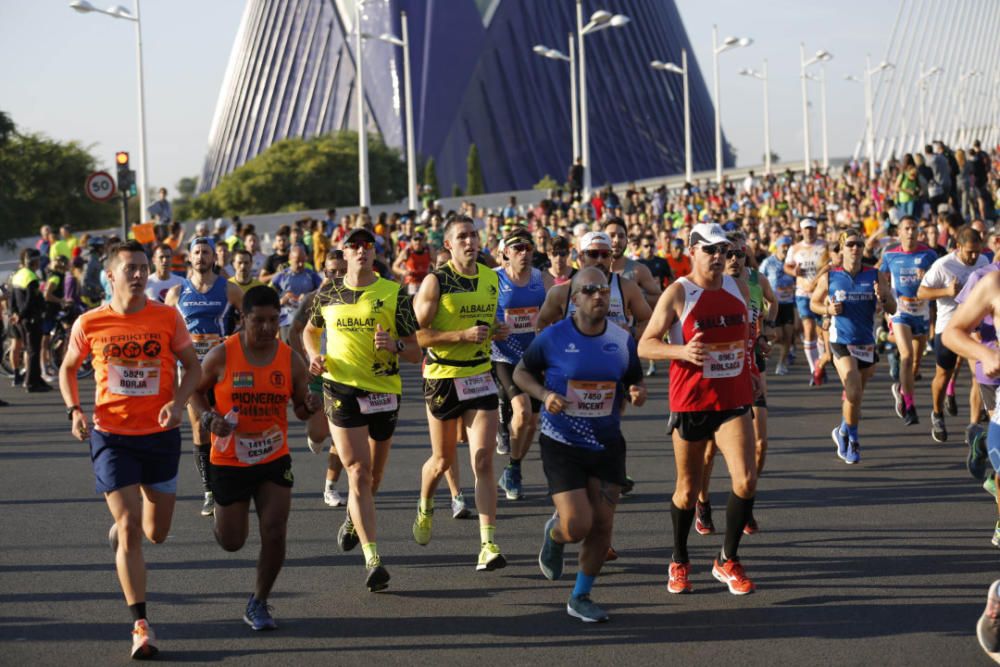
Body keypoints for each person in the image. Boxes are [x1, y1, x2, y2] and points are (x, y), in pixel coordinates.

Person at [58, 239, 201, 659]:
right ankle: (141, 625)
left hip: (159, 435)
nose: (139, 275)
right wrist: (75, 412)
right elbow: (68, 368)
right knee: (128, 528)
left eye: (143, 267)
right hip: (111, 436)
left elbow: (192, 366)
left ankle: (128, 522)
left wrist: (177, 403)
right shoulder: (89, 322)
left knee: (156, 533)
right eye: (130, 268)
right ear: (110, 275)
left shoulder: (166, 317)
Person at [514, 266, 646, 622]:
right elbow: (520, 372)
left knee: (603, 524)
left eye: (603, 289)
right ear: (573, 300)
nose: (598, 295)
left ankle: (580, 595)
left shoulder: (621, 339)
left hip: (606, 443)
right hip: (563, 442)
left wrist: (636, 391)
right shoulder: (554, 337)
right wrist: (544, 394)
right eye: (589, 290)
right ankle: (556, 536)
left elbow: (634, 378)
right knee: (578, 525)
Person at [638, 222, 757, 596]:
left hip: (733, 399)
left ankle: (727, 559)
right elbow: (645, 345)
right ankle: (679, 559)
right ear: (692, 251)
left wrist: (755, 355)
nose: (719, 257)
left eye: (724, 250)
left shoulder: (738, 287)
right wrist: (681, 351)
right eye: (710, 250)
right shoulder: (678, 293)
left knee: (746, 480)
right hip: (691, 401)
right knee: (687, 492)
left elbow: (744, 335)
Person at [191, 285, 319, 630]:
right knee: (233, 541)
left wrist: (309, 405)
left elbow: (301, 408)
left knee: (275, 531)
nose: (266, 328)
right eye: (257, 320)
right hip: (229, 460)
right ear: (243, 318)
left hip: (273, 457)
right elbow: (195, 391)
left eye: (272, 321)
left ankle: (259, 602)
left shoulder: (289, 358)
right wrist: (207, 418)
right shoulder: (222, 354)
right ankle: (221, 521)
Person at [303, 228, 422, 590]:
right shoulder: (328, 293)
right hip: (340, 388)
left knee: (374, 478)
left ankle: (355, 520)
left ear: (373, 253)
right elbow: (309, 332)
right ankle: (373, 559)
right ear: (345, 253)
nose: (361, 252)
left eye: (367, 246)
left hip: (384, 391)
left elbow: (418, 352)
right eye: (354, 246)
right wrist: (314, 355)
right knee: (356, 470)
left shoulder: (393, 292)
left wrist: (395, 344)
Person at [411, 215, 511, 571]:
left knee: (483, 459)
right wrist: (459, 336)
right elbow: (415, 337)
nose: (470, 241)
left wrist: (496, 331)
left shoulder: (490, 277)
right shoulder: (435, 282)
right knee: (441, 461)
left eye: (474, 235)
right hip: (442, 377)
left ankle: (487, 544)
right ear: (449, 245)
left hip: (480, 376)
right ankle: (425, 504)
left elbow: (486, 325)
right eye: (462, 237)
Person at [696, 234, 777, 535]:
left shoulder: (752, 282)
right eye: (725, 253)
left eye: (738, 254)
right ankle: (702, 503)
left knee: (760, 443)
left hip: (752, 366)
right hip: (718, 377)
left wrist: (763, 334)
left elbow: (773, 304)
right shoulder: (704, 287)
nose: (732, 259)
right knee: (708, 452)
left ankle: (745, 501)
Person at [165, 236, 244, 516]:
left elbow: (250, 320)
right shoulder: (175, 293)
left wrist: (232, 339)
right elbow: (166, 331)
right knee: (200, 429)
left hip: (222, 369)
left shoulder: (229, 289)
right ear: (190, 257)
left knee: (229, 422)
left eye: (206, 252)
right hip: (190, 371)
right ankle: (210, 490)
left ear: (214, 258)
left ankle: (232, 480)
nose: (201, 257)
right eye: (196, 252)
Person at [811, 230, 896, 464]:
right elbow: (814, 303)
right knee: (853, 390)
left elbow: (893, 308)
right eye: (850, 244)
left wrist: (883, 299)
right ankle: (852, 440)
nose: (856, 248)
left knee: (855, 397)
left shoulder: (875, 275)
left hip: (866, 342)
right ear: (841, 248)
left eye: (859, 244)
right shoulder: (830, 276)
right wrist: (828, 311)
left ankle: (841, 430)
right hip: (841, 341)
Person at [493, 229, 553, 500]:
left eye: (528, 248)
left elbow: (559, 311)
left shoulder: (542, 279)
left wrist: (547, 326)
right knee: (522, 410)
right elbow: (476, 313)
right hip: (504, 356)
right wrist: (492, 327)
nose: (524, 254)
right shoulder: (493, 279)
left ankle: (513, 468)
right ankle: (513, 466)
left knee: (533, 421)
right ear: (505, 252)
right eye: (517, 248)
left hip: (534, 357)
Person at [917, 225, 987, 442]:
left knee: (979, 375)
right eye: (969, 252)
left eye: (977, 251)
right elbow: (921, 292)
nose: (974, 256)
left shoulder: (983, 263)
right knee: (943, 375)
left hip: (973, 328)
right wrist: (946, 291)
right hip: (948, 328)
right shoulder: (943, 265)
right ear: (958, 247)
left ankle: (974, 426)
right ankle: (937, 413)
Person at [288, 249, 347, 506]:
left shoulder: (357, 298)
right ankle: (315, 435)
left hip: (347, 374)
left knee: (342, 434)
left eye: (342, 271)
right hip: (317, 372)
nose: (337, 276)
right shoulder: (314, 298)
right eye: (332, 272)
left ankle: (330, 487)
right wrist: (302, 362)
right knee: (320, 433)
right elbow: (294, 331)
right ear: (324, 273)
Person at [880, 216, 939, 426]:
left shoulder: (929, 254)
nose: (911, 232)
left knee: (915, 365)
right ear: (899, 232)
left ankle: (900, 389)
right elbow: (879, 278)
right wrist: (884, 299)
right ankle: (910, 406)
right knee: (906, 355)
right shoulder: (890, 255)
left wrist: (929, 276)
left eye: (914, 228)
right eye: (907, 228)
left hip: (921, 311)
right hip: (900, 311)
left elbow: (941, 279)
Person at [535, 232, 652, 335]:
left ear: (611, 257)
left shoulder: (627, 287)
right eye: (593, 254)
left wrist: (632, 332)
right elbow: (541, 323)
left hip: (615, 357)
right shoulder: (562, 291)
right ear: (581, 256)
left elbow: (649, 321)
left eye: (605, 254)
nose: (600, 259)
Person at [785, 218, 830, 386]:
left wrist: (818, 280)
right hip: (802, 293)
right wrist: (794, 271)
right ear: (801, 231)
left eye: (812, 229)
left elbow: (830, 265)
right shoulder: (794, 248)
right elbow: (787, 267)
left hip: (821, 294)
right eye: (806, 229)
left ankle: (820, 365)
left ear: (816, 229)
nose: (809, 231)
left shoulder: (824, 246)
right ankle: (814, 370)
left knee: (821, 332)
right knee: (809, 329)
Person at [11, 248, 51, 392]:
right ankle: (31, 383)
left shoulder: (18, 275)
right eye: (38, 260)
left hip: (22, 319)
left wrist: (14, 313)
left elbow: (13, 298)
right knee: (34, 350)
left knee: (31, 349)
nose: (39, 262)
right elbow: (30, 301)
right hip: (31, 318)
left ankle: (37, 378)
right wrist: (21, 314)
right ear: (33, 261)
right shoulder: (31, 277)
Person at [760, 236, 797, 375]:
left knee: (788, 336)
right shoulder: (768, 262)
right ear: (778, 247)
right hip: (773, 304)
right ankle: (767, 347)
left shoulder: (793, 263)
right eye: (784, 246)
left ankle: (781, 364)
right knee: (778, 336)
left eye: (788, 245)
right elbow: (760, 279)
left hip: (788, 303)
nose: (786, 248)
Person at [270, 245, 321, 342]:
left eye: (303, 260)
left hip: (306, 317)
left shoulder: (311, 274)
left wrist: (309, 297)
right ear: (290, 258)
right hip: (287, 318)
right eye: (297, 261)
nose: (301, 264)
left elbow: (323, 290)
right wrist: (281, 301)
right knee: (287, 347)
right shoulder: (281, 276)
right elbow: (267, 295)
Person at [392, 230, 434, 296]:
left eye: (420, 240)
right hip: (411, 283)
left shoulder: (429, 250)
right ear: (411, 241)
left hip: (425, 282)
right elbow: (394, 266)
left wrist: (433, 274)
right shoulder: (407, 251)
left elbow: (437, 263)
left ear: (423, 241)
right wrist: (403, 272)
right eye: (415, 240)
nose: (418, 242)